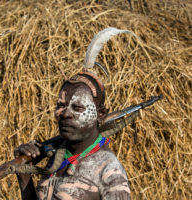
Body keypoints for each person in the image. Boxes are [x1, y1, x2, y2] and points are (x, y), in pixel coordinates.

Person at [14, 71, 131, 200]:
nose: (65, 114)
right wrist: (24, 174)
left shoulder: (109, 170)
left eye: (77, 107)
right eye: (61, 105)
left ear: (101, 114)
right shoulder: (57, 157)